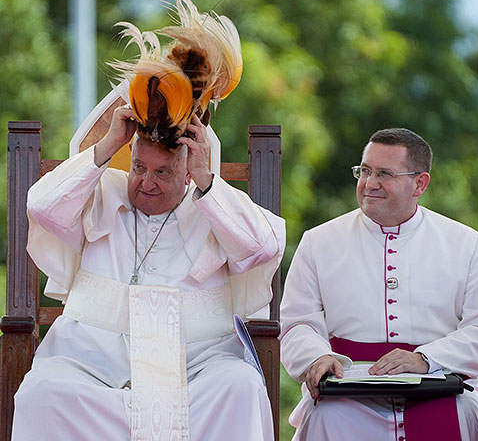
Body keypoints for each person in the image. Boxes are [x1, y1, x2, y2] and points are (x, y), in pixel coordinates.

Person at [11, 105, 285, 440]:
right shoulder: (99, 192)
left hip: (196, 367)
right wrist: (108, 144)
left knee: (240, 388)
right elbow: (41, 207)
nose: (146, 183)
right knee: (42, 393)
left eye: (163, 173)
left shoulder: (214, 204)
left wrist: (207, 181)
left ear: (187, 172)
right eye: (139, 167)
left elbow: (262, 248)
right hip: (92, 362)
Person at [280, 128, 478, 441]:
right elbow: (296, 324)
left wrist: (425, 359)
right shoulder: (319, 242)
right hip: (347, 388)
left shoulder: (465, 243)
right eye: (365, 171)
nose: (370, 183)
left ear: (419, 183)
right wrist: (317, 358)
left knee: (459, 411)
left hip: (438, 384)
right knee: (326, 416)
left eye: (384, 174)